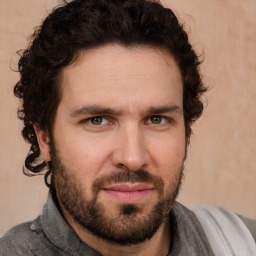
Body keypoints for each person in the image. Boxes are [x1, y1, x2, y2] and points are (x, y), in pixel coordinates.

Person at [0, 0, 255, 255]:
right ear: (45, 139)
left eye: (157, 119)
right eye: (97, 120)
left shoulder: (244, 244)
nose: (133, 158)